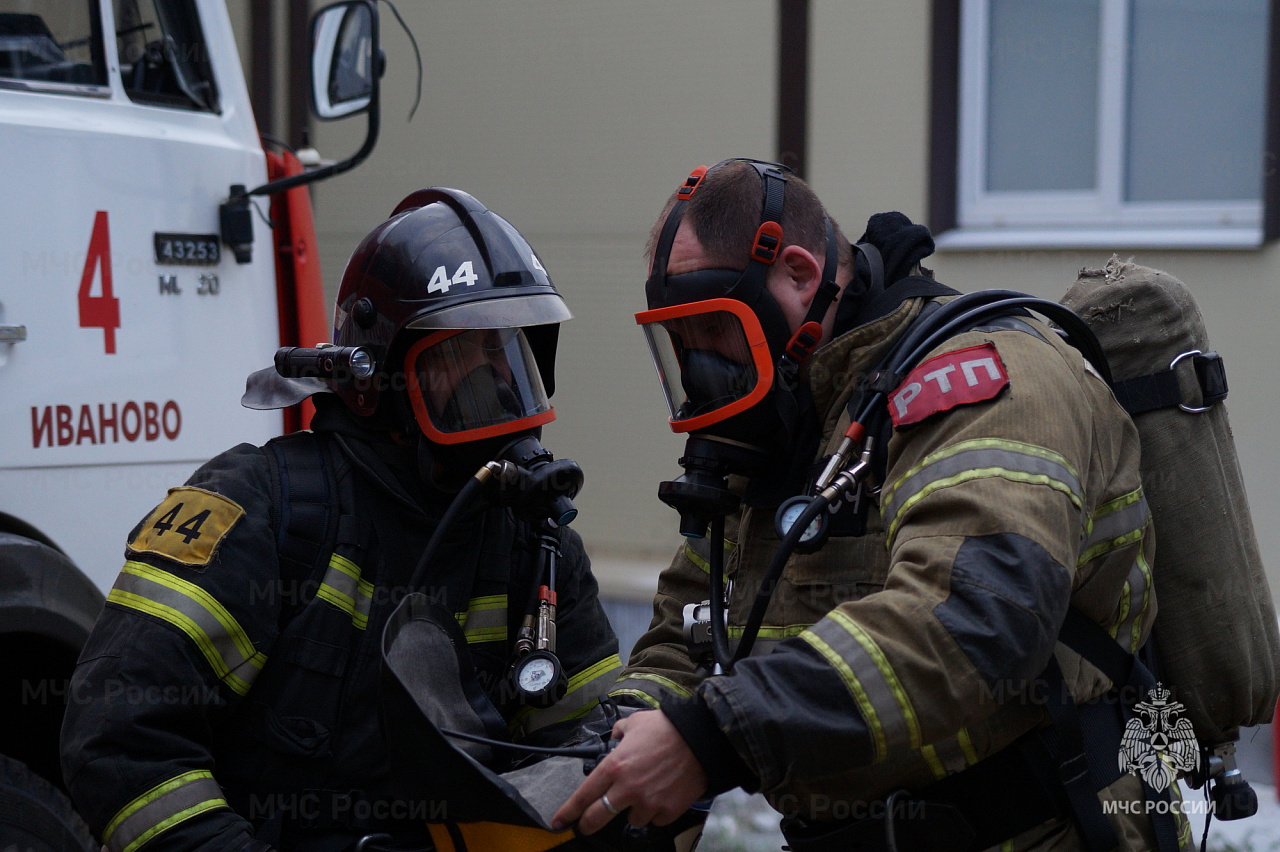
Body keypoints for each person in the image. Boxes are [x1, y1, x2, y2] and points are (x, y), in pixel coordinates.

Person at [554, 160, 1181, 851]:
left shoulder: (987, 379)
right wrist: (618, 747)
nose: (703, 370)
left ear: (797, 274)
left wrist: (712, 739)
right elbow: (690, 630)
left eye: (713, 329)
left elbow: (974, 621)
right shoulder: (793, 426)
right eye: (682, 345)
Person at [61, 188, 622, 852]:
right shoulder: (261, 511)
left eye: (509, 352)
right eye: (460, 354)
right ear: (373, 383)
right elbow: (118, 737)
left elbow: (593, 755)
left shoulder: (538, 545)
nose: (496, 382)